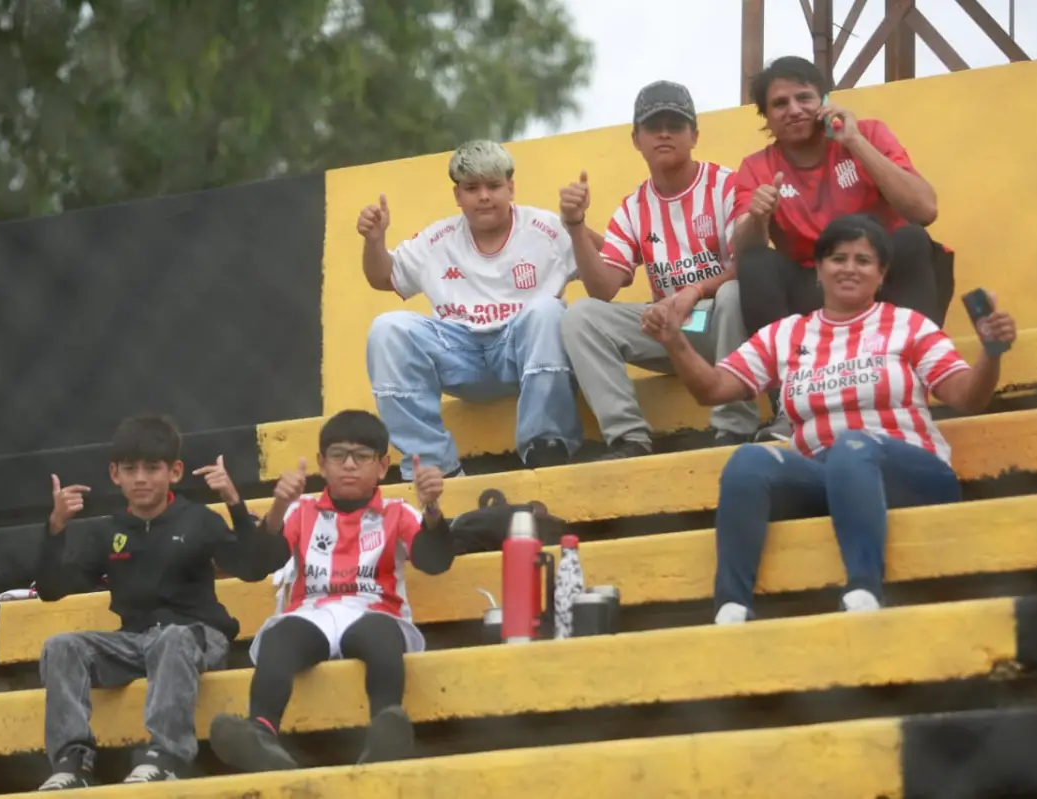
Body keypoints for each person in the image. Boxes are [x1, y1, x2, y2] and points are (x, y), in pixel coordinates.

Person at [638, 214, 1015, 624]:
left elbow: (967, 397)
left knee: (853, 446)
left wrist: (990, 355)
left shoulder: (907, 325)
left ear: (881, 274)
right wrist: (675, 343)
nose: (850, 268)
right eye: (838, 258)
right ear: (818, 270)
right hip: (825, 475)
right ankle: (732, 606)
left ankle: (864, 591)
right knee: (748, 461)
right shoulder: (786, 334)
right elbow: (711, 390)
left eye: (863, 260)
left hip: (911, 469)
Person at [35, 415, 284, 790]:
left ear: (175, 471)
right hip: (134, 641)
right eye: (130, 469)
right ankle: (72, 761)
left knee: (173, 637)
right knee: (60, 646)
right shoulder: (108, 531)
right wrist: (56, 527)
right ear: (114, 474)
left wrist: (233, 502)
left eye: (152, 468)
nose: (141, 479)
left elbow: (252, 568)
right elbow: (52, 588)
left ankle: (165, 756)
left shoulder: (198, 519)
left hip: (198, 635)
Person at [208, 410, 455, 772]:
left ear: (383, 466)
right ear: (322, 464)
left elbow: (434, 561)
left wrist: (431, 508)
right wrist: (278, 504)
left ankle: (385, 731)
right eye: (338, 456)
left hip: (374, 610)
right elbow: (260, 562)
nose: (349, 466)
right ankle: (260, 734)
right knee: (281, 635)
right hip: (312, 612)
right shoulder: (299, 510)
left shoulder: (398, 511)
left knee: (381, 634)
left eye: (362, 456)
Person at [729, 56, 953, 441]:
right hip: (816, 294)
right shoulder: (756, 168)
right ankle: (788, 405)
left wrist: (854, 141)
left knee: (913, 240)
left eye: (805, 98)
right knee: (755, 264)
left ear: (825, 100)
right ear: (766, 117)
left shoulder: (868, 133)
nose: (795, 110)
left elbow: (925, 210)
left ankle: (910, 390)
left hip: (883, 282)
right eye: (780, 104)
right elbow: (743, 252)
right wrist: (756, 217)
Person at [362, 140, 587, 480]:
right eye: (472, 188)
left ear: (510, 188)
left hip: (523, 351)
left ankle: (546, 447)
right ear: (458, 196)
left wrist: (578, 223)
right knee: (387, 329)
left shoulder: (545, 227)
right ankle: (435, 467)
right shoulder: (437, 238)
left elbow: (612, 264)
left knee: (547, 311)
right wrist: (375, 240)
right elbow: (383, 277)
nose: (484, 196)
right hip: (460, 355)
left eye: (494, 186)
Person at [559, 81, 759, 460]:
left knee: (734, 293)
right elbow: (602, 290)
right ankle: (628, 439)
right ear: (636, 139)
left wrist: (695, 291)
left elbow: (750, 265)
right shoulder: (633, 206)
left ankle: (734, 430)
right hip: (672, 329)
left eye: (675, 124)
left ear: (694, 135)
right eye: (653, 126)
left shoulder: (725, 185)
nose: (664, 132)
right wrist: (575, 225)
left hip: (720, 324)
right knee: (580, 316)